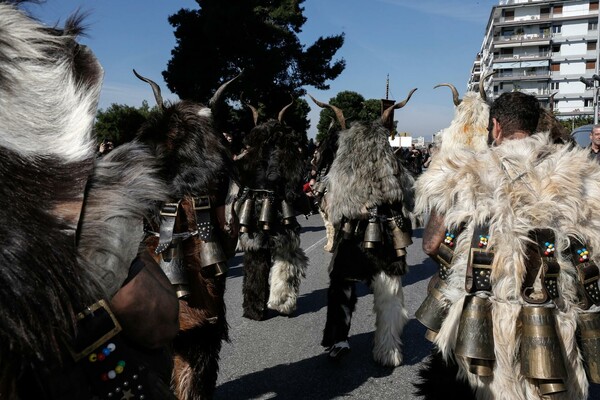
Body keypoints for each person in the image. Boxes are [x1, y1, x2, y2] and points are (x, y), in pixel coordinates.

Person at [414, 91, 600, 399]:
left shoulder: (466, 170)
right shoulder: (584, 174)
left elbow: (432, 245)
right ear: (538, 127)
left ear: (495, 127)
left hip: (484, 319)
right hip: (558, 319)